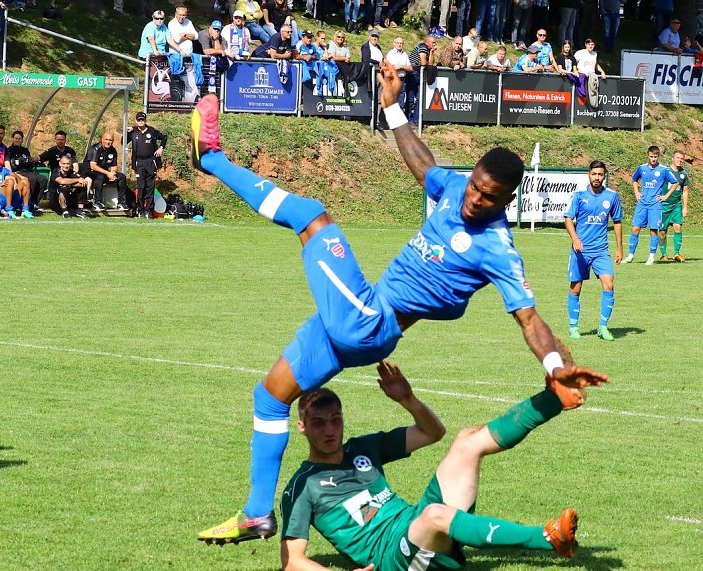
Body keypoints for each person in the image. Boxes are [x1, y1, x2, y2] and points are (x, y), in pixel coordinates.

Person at [192, 60, 608, 544]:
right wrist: (392, 107)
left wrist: (556, 364)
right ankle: (257, 514)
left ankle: (211, 158)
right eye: (474, 185)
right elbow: (424, 165)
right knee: (270, 397)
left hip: (372, 322)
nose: (474, 199)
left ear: (508, 199)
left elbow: (529, 319)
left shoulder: (498, 249)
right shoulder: (456, 188)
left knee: (313, 220)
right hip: (357, 324)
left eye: (488, 196)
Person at [281, 354, 586, 570]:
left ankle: (556, 398)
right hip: (392, 558)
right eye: (319, 423)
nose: (330, 430)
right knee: (435, 514)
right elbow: (292, 561)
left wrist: (408, 400)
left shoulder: (362, 448)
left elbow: (432, 432)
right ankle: (546, 538)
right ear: (302, 427)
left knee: (467, 440)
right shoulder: (303, 486)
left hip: (415, 525)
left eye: (335, 420)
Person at [564, 160, 623, 341]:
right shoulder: (579, 196)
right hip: (581, 251)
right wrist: (575, 239)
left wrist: (620, 248)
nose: (597, 177)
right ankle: (574, 327)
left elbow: (618, 222)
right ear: (588, 174)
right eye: (594, 174)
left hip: (601, 250)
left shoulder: (612, 196)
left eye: (600, 174)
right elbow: (568, 218)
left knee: (609, 284)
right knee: (576, 287)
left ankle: (603, 327)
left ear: (604, 175)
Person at [623, 146, 679, 265]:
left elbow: (675, 183)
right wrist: (636, 192)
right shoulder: (642, 168)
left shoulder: (663, 169)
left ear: (658, 156)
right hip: (642, 203)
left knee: (653, 230)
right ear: (647, 156)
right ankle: (630, 256)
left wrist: (665, 196)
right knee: (635, 228)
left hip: (655, 204)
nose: (653, 159)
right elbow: (634, 179)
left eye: (655, 157)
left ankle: (651, 257)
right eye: (651, 156)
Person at [129, 113, 168, 219]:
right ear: (136, 121)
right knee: (141, 187)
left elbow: (164, 137)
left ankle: (149, 210)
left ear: (145, 120)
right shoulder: (133, 132)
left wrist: (161, 148)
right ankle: (141, 210)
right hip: (139, 162)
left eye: (142, 120)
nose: (141, 121)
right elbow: (124, 141)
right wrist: (128, 131)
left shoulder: (151, 131)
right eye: (139, 120)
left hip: (150, 162)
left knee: (150, 187)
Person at [81, 132, 130, 213]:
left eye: (110, 140)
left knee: (122, 176)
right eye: (106, 139)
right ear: (102, 139)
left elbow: (114, 166)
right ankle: (97, 202)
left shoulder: (113, 150)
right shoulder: (95, 149)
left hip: (104, 172)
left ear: (113, 141)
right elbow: (93, 166)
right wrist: (108, 173)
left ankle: (121, 203)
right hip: (89, 171)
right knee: (100, 176)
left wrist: (112, 174)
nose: (108, 142)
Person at [0, 153, 33, 219]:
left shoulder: (2, 170)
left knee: (25, 182)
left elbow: (14, 174)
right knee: (9, 181)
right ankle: (9, 210)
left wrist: (19, 184)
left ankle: (25, 210)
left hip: (10, 196)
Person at [658, 150, 690, 262]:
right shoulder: (664, 171)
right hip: (663, 205)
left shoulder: (683, 174)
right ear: (673, 158)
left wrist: (685, 207)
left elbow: (685, 191)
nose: (680, 160)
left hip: (676, 205)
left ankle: (676, 253)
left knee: (678, 227)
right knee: (662, 231)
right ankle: (663, 254)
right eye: (678, 157)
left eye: (682, 158)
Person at [7, 130, 48, 213]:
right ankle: (28, 202)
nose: (17, 140)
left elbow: (30, 162)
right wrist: (23, 161)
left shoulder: (25, 150)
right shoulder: (9, 150)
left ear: (22, 140)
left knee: (43, 179)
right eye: (16, 138)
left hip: (27, 171)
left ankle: (35, 202)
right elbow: (13, 164)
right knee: (32, 179)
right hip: (17, 172)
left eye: (19, 138)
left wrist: (22, 161)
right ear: (13, 139)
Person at [385, 37, 415, 121]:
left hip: (402, 80)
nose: (399, 44)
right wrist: (402, 67)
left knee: (401, 102)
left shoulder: (404, 54)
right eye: (398, 43)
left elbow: (410, 68)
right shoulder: (391, 54)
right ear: (394, 43)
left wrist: (401, 66)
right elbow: (393, 67)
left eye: (401, 43)